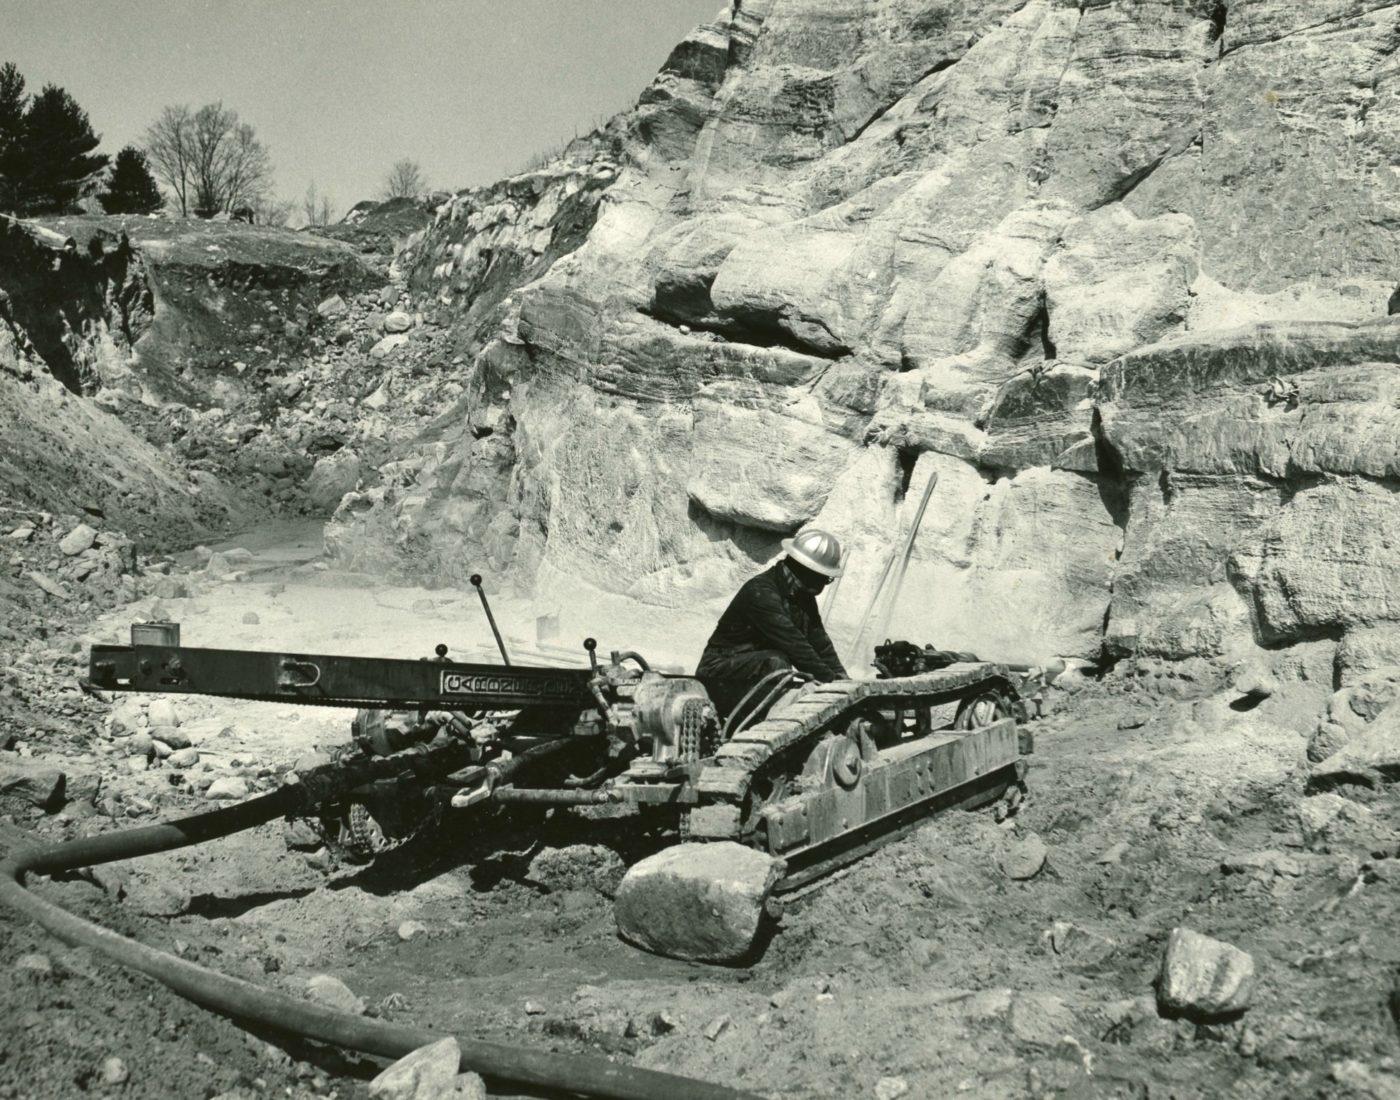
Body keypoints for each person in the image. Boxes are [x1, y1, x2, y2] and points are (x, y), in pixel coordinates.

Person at [696, 528, 849, 717]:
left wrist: (844, 682)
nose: (825, 582)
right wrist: (832, 685)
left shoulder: (802, 596)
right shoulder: (761, 593)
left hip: (755, 673)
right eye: (823, 576)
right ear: (806, 569)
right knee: (777, 661)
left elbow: (820, 643)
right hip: (718, 675)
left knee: (778, 663)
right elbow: (796, 647)